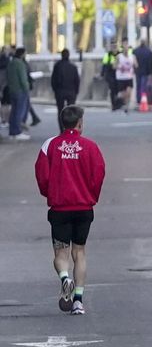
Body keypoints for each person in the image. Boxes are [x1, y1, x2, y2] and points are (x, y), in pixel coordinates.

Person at [34, 104, 105, 316]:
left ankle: (65, 279)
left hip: (60, 209)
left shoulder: (50, 146)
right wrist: (91, 197)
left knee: (60, 253)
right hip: (83, 208)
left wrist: (51, 194)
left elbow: (41, 175)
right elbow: (98, 174)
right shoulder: (90, 147)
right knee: (79, 252)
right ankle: (78, 301)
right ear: (80, 123)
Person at [7, 46, 32, 141]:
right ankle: (17, 131)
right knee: (19, 112)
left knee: (13, 112)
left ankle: (12, 132)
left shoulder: (11, 63)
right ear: (22, 54)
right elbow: (23, 79)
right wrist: (27, 88)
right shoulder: (20, 64)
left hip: (12, 90)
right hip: (20, 90)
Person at [50, 49, 79, 115]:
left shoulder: (57, 66)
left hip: (60, 91)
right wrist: (76, 91)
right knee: (71, 110)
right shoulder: (73, 67)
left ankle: (61, 124)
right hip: (71, 91)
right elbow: (77, 80)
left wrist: (55, 90)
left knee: (60, 110)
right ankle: (69, 124)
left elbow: (53, 79)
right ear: (69, 56)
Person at [134, 38, 152, 107]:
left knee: (138, 85)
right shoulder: (149, 52)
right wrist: (150, 72)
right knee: (143, 86)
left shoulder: (135, 51)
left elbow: (134, 62)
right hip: (145, 72)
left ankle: (138, 100)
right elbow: (150, 63)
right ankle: (143, 99)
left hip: (138, 71)